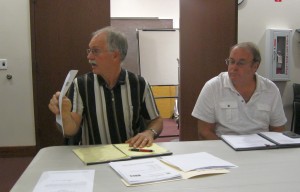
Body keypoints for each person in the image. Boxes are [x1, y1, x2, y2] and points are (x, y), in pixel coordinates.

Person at [48, 26, 163, 148]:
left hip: (129, 155)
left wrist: (150, 132)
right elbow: (71, 131)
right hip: (94, 157)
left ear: (115, 55)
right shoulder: (81, 85)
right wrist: (64, 113)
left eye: (95, 51)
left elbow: (156, 120)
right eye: (89, 51)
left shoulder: (139, 84)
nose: (89, 57)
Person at [192, 42, 287, 140]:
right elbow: (204, 131)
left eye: (240, 63)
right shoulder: (213, 87)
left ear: (255, 66)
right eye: (231, 62)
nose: (234, 68)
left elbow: (278, 128)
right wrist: (225, 150)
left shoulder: (271, 89)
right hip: (224, 148)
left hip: (261, 149)